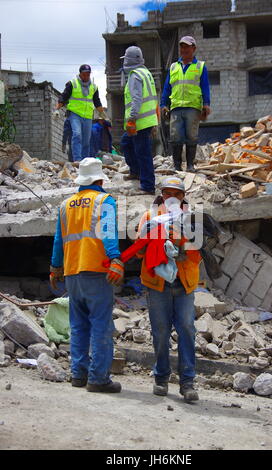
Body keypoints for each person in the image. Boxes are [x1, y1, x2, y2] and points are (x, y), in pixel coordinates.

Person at [49, 157, 124, 393]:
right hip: (96, 271)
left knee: (78, 325)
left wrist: (55, 267)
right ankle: (98, 378)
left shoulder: (65, 205)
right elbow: (109, 232)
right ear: (101, 178)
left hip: (72, 273)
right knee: (101, 326)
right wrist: (115, 259)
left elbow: (59, 240)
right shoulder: (104, 200)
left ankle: (78, 374)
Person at [137, 176, 202, 403]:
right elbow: (139, 251)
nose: (172, 197)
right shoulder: (149, 217)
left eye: (177, 194)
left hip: (183, 284)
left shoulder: (193, 220)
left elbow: (198, 254)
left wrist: (181, 245)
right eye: (167, 193)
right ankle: (161, 378)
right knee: (161, 331)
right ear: (161, 195)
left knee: (186, 329)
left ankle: (188, 383)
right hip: (157, 284)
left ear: (183, 197)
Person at [160, 36, 211, 172]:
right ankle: (177, 165)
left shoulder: (200, 66)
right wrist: (163, 104)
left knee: (191, 136)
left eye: (187, 47)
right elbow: (167, 87)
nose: (184, 49)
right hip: (176, 107)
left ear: (193, 48)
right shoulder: (173, 67)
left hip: (193, 107)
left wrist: (206, 104)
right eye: (182, 47)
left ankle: (190, 165)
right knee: (175, 137)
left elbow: (205, 86)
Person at [120, 46, 158, 195]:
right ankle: (135, 171)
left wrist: (132, 119)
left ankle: (148, 186)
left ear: (129, 60)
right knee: (126, 143)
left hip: (139, 121)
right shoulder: (145, 73)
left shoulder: (135, 75)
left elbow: (137, 99)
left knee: (143, 152)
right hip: (145, 120)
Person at [55, 64, 106, 162]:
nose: (86, 76)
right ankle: (77, 160)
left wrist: (102, 113)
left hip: (87, 116)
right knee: (77, 134)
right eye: (84, 74)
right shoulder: (72, 84)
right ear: (80, 74)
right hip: (74, 114)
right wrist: (57, 109)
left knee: (86, 141)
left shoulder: (94, 87)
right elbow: (63, 97)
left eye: (88, 74)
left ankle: (85, 161)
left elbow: (97, 101)